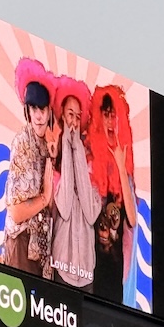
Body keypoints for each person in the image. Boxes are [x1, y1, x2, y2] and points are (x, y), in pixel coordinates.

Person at [48, 75, 102, 291]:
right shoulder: (53, 162)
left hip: (86, 272)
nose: (74, 121)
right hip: (62, 268)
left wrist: (77, 147)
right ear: (62, 117)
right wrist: (66, 146)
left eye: (78, 117)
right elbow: (66, 206)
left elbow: (90, 212)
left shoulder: (92, 165)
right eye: (70, 114)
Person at [2, 58, 55, 275]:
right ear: (27, 111)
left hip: (42, 251)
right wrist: (44, 198)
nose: (39, 115)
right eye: (34, 108)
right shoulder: (22, 143)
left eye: (43, 108)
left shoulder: (49, 144)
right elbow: (15, 213)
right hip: (21, 244)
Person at [87, 85, 137, 302]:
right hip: (90, 265)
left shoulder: (126, 168)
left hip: (115, 266)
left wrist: (120, 163)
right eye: (105, 115)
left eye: (113, 116)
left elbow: (133, 220)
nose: (109, 121)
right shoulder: (90, 159)